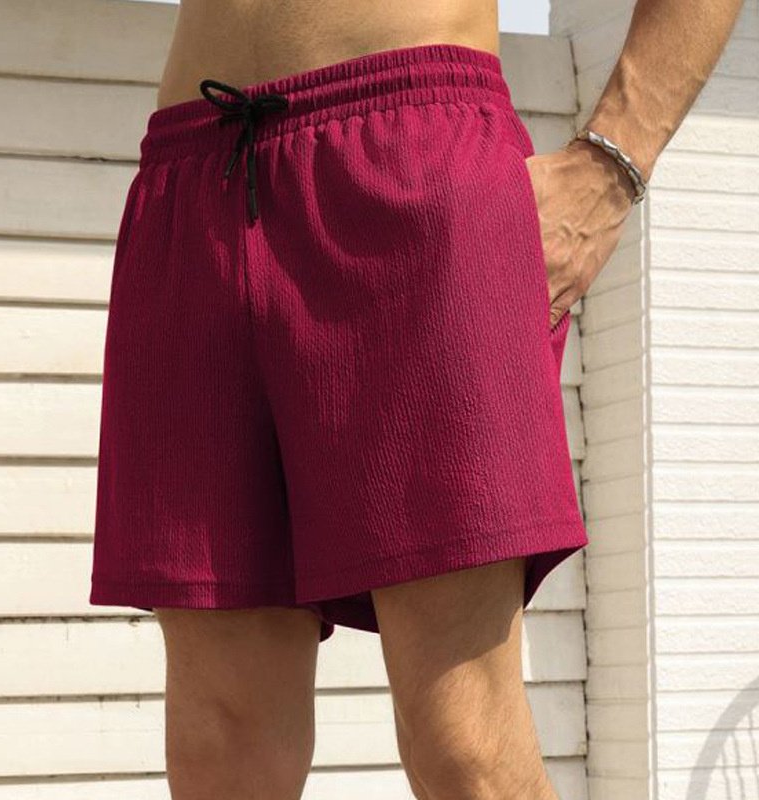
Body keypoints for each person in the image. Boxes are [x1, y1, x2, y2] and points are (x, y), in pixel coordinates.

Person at [88, 0, 745, 797]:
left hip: (408, 148)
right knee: (219, 747)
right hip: (194, 178)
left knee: (465, 744)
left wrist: (611, 166)